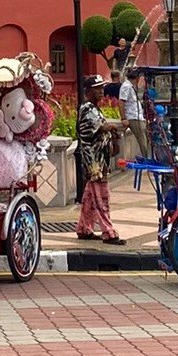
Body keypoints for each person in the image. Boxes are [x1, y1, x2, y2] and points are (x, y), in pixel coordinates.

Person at [75, 77, 122, 242]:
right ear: (88, 91)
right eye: (97, 88)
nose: (101, 91)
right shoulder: (87, 109)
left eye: (102, 88)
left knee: (89, 196)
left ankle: (84, 228)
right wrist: (115, 126)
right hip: (93, 162)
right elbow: (100, 127)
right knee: (101, 196)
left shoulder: (95, 108)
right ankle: (108, 232)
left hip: (100, 161)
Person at [116, 69, 146, 161]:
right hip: (133, 117)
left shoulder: (131, 86)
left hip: (137, 116)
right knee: (142, 139)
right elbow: (121, 102)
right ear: (136, 78)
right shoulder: (126, 86)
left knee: (144, 138)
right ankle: (146, 158)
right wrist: (124, 118)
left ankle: (145, 157)